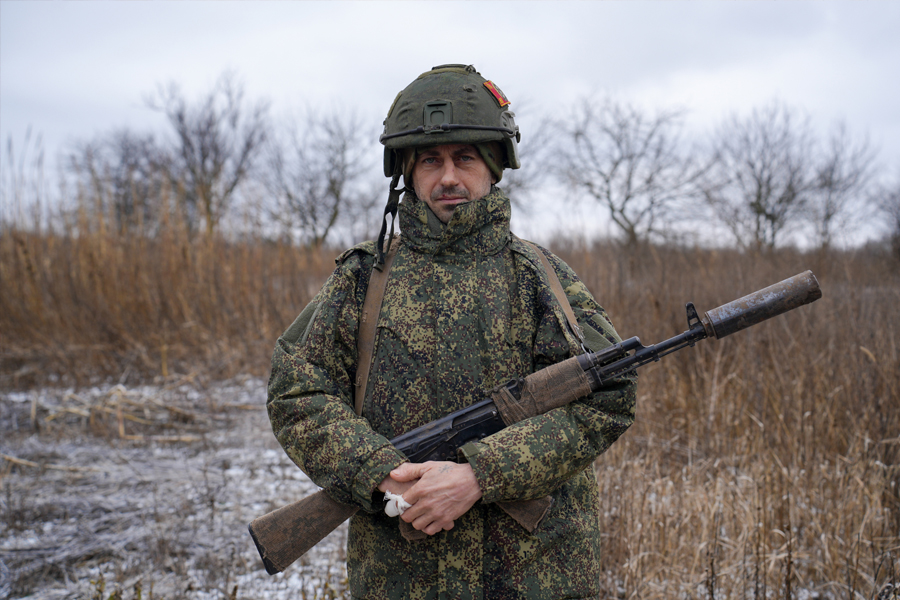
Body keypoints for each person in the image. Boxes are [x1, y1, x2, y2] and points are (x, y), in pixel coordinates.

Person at [267, 64, 637, 600]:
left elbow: (609, 395)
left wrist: (481, 475)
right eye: (430, 161)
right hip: (401, 572)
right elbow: (296, 390)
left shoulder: (540, 276)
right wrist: (381, 473)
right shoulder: (362, 279)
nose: (448, 177)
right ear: (407, 173)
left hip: (534, 575)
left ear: (493, 166)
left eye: (465, 158)